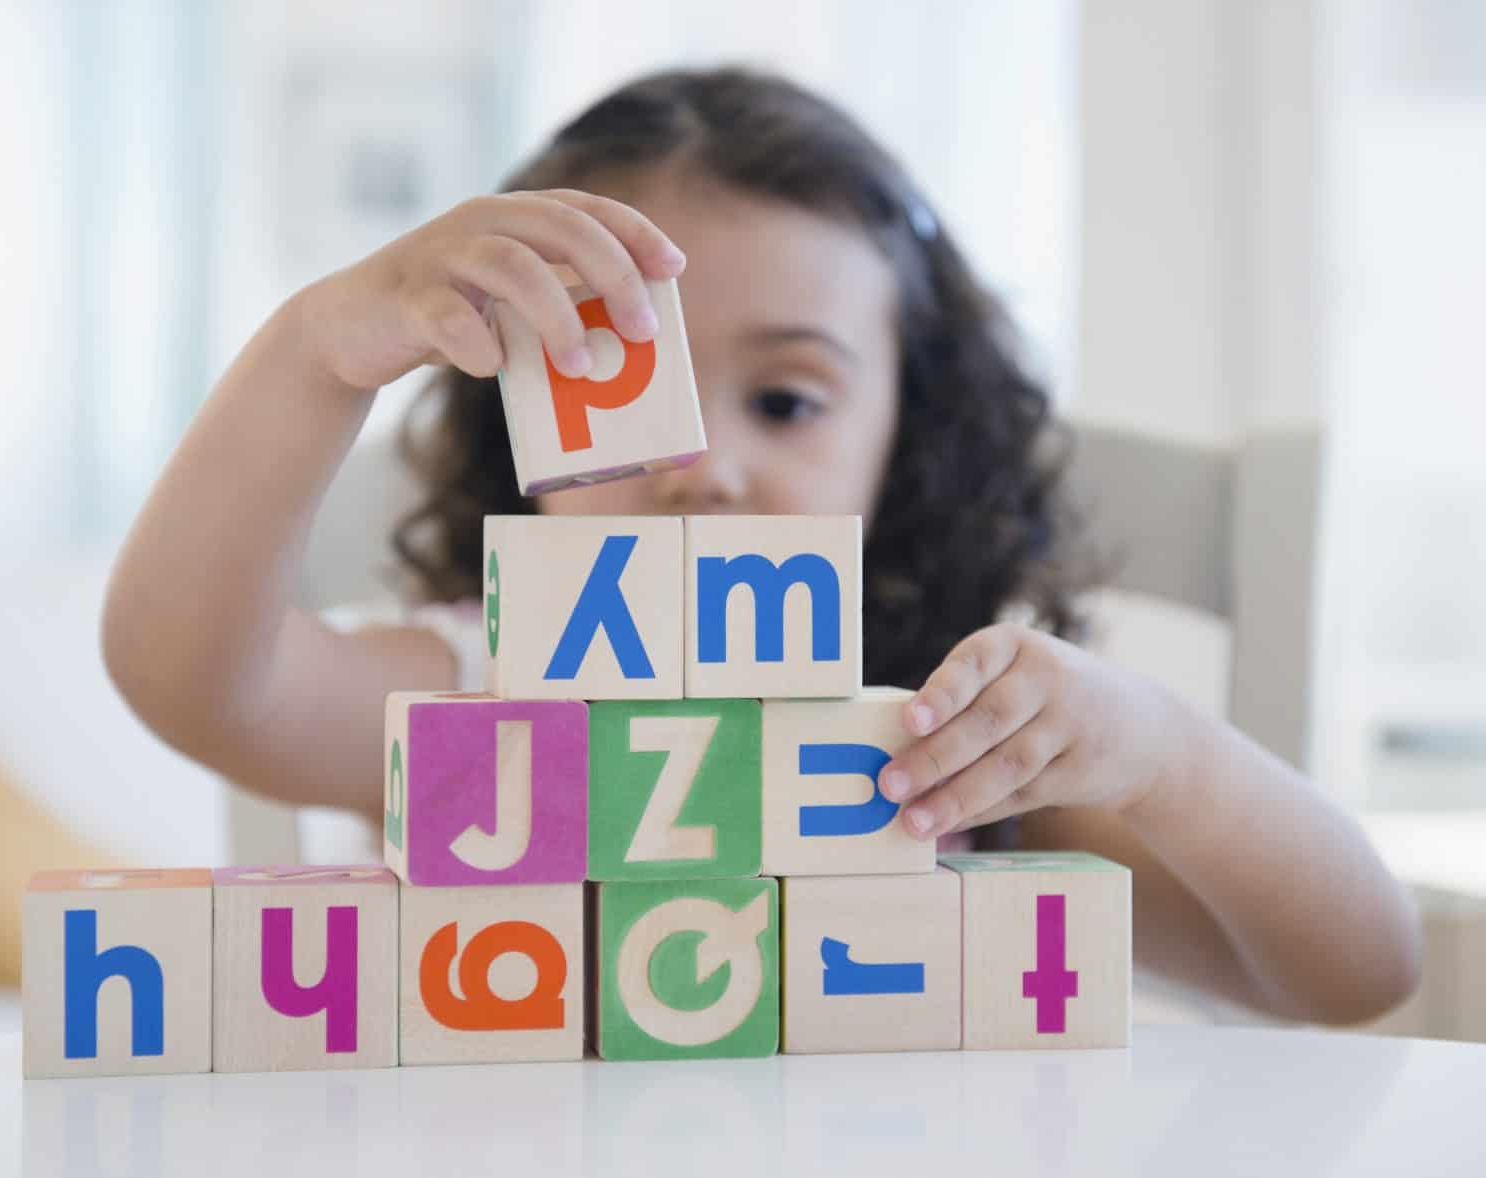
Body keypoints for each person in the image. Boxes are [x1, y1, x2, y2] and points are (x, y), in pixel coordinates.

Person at [102, 66, 1419, 1025]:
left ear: (907, 433)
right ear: (517, 414)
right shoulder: (482, 694)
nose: (700, 462)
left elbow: (1359, 971)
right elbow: (191, 676)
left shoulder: (955, 729)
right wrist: (313, 355)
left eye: (786, 399)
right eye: (615, 382)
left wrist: (1168, 754)